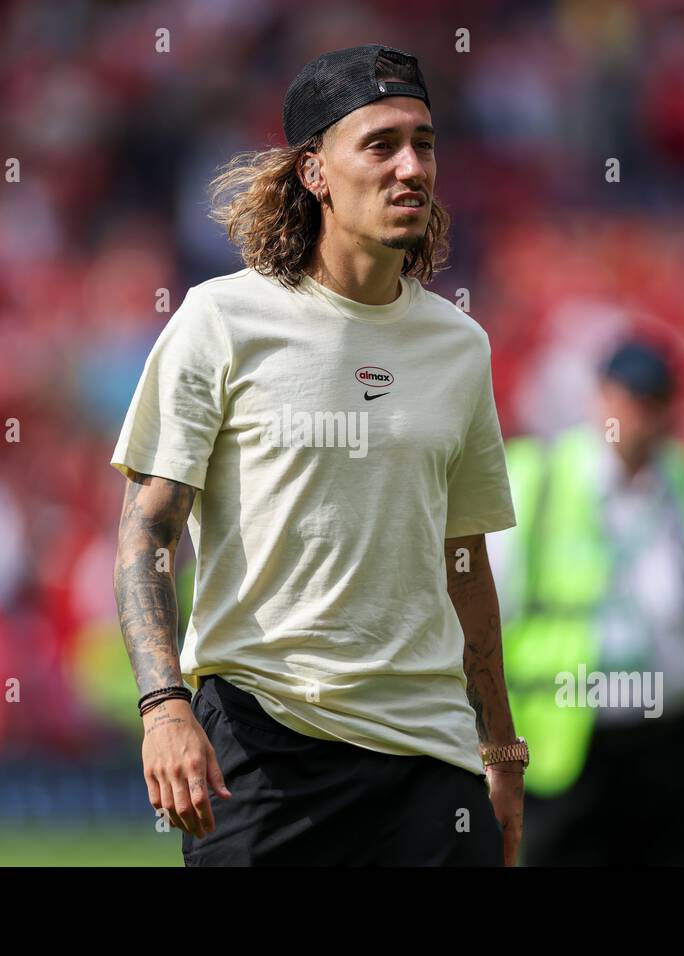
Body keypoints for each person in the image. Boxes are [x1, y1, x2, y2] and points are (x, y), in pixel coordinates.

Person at [110, 43, 526, 866]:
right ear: (315, 172)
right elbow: (147, 535)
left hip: (429, 759)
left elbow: (464, 559)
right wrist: (164, 707)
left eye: (425, 142)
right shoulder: (218, 322)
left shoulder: (460, 346)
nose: (412, 167)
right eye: (380, 145)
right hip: (265, 753)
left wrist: (501, 750)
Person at [495, 337, 684, 866]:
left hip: (675, 741)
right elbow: (479, 627)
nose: (640, 414)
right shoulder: (534, 483)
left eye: (655, 400)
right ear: (599, 397)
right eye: (629, 397)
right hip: (564, 745)